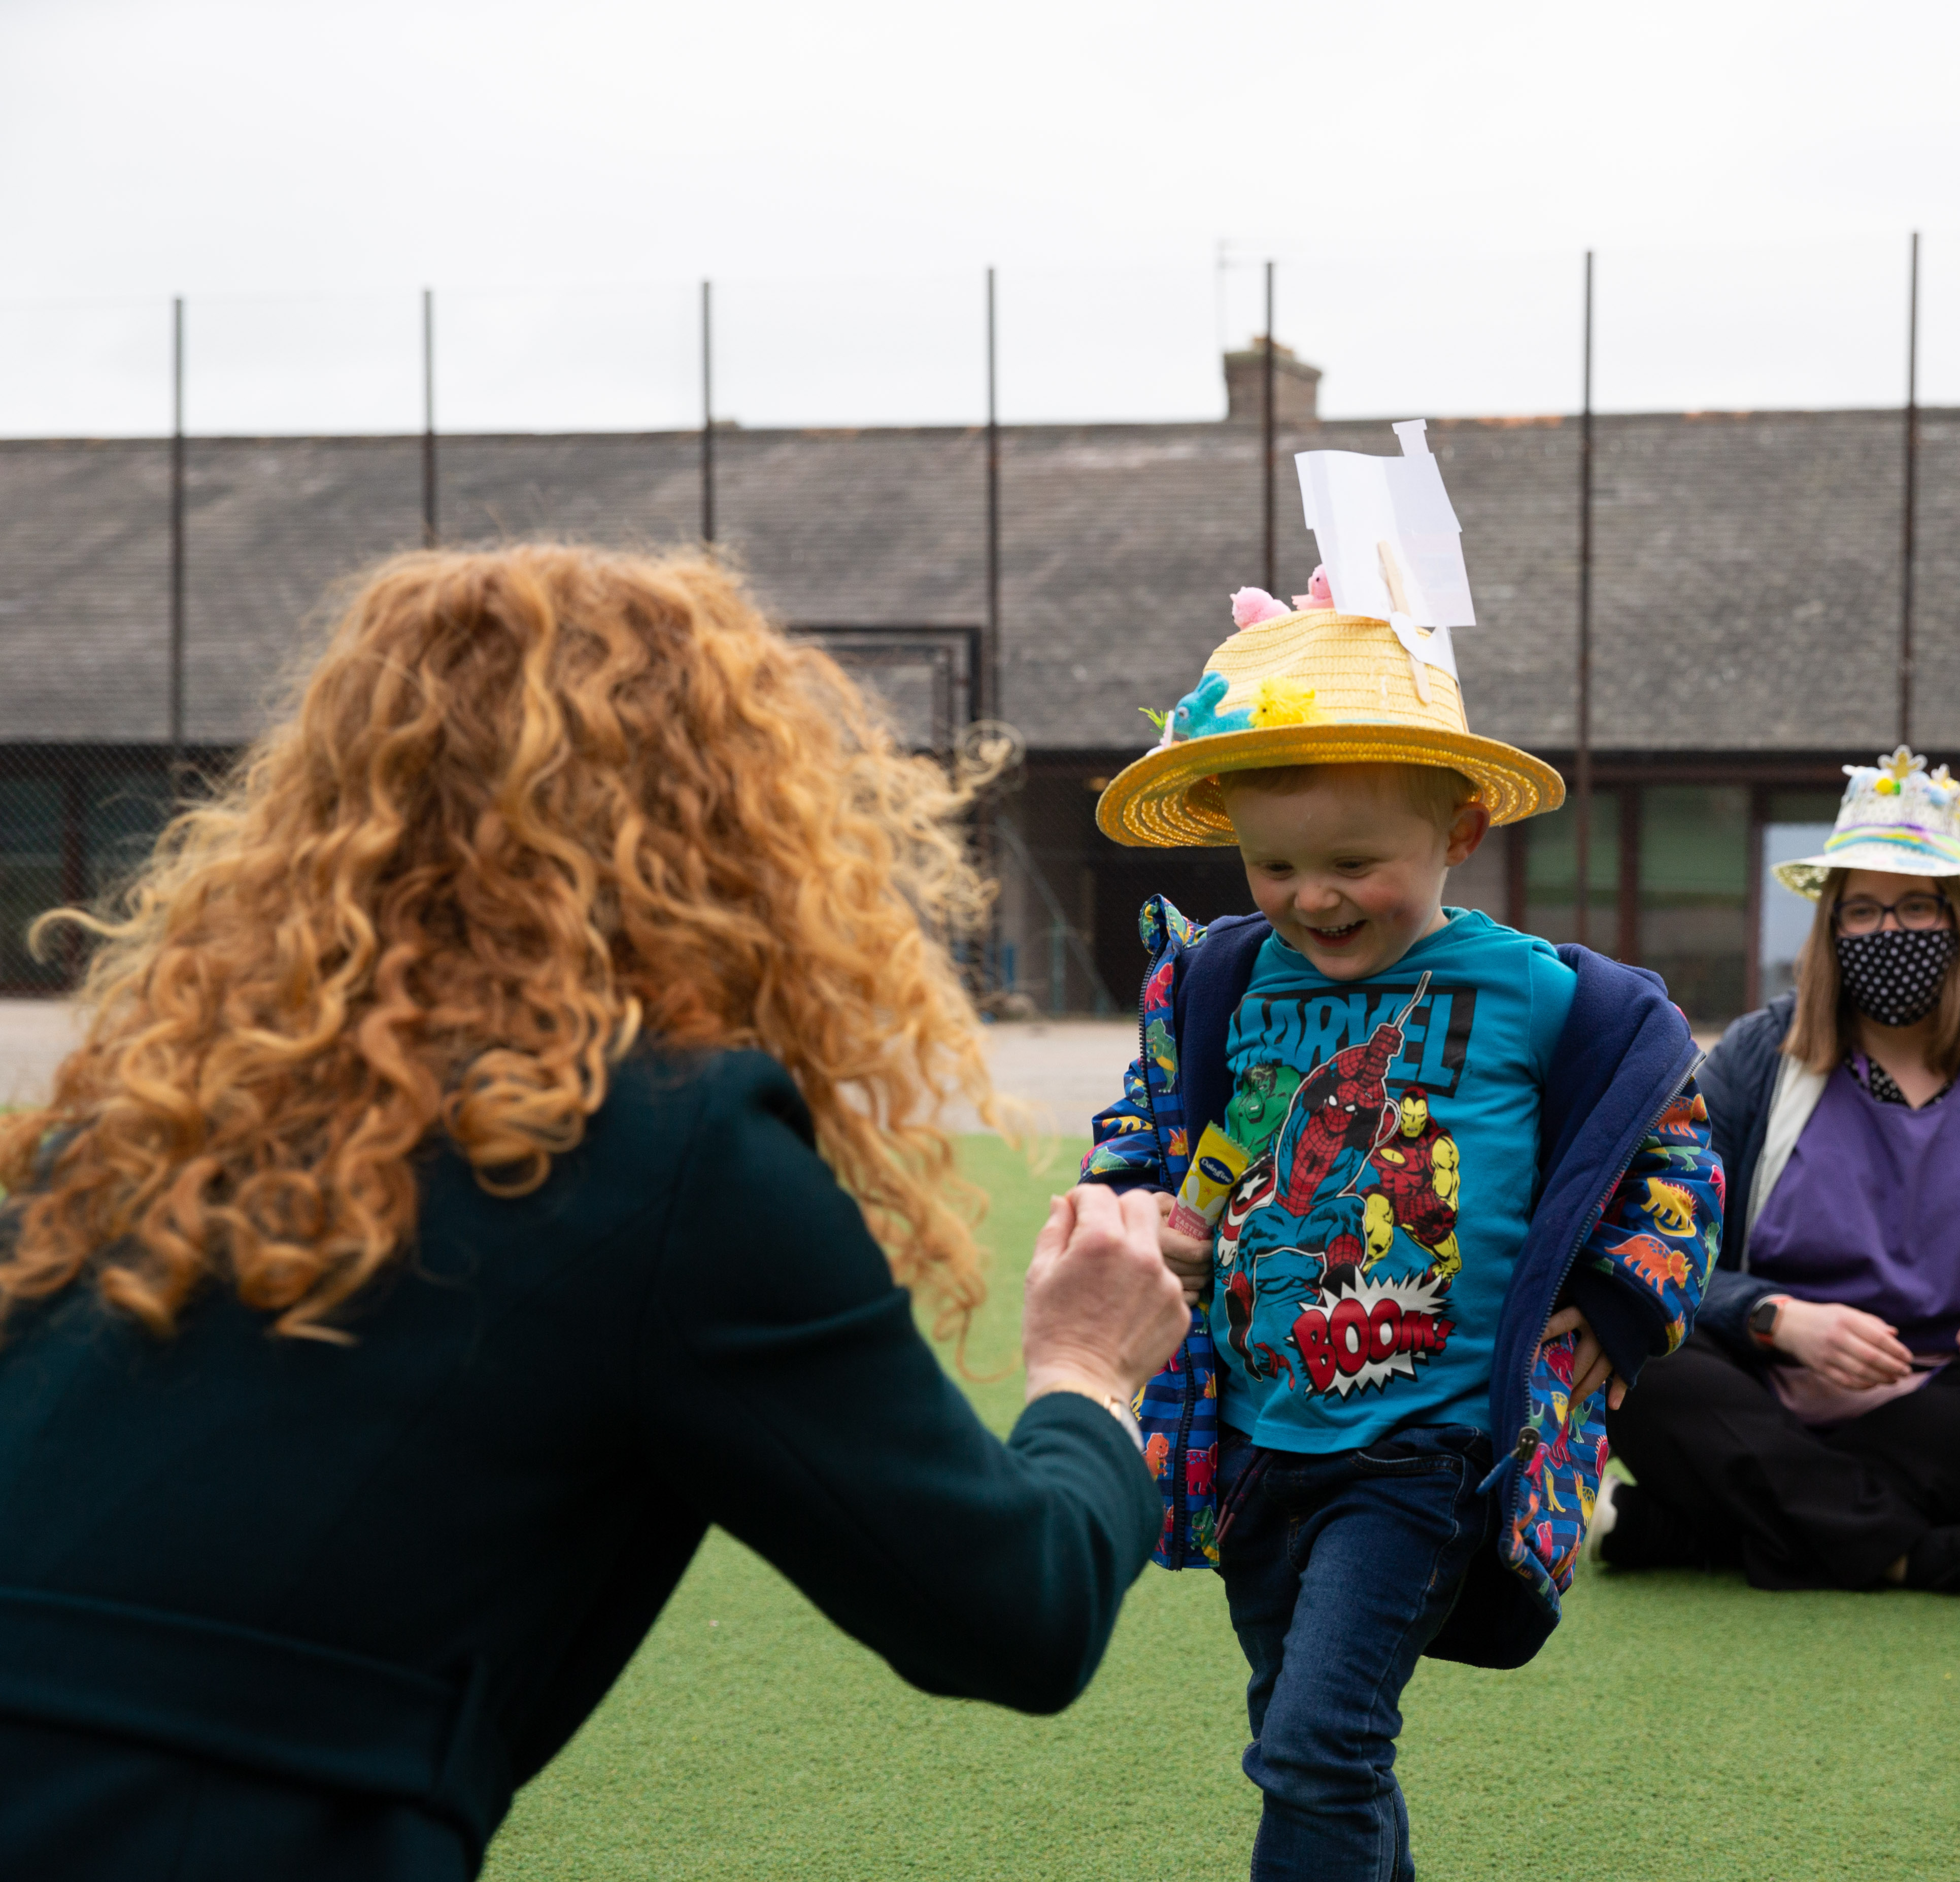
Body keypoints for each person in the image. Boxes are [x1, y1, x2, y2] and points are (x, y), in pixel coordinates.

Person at [0, 547, 1187, 1879]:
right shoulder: (674, 1144)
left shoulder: (141, 1115)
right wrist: (1087, 1373)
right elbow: (1016, 1612)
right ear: (737, 823)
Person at [1080, 580, 1722, 1879]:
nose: (1312, 898)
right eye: (1274, 866)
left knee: (1318, 1745)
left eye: (1351, 862)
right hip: (1255, 1439)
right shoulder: (1217, 982)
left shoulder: (1549, 996)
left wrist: (1623, 1295)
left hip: (1424, 1451)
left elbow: (1675, 1144)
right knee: (1312, 1737)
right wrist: (1145, 1212)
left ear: (1459, 828)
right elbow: (1141, 1131)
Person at [1599, 748, 1960, 1596]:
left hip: (1943, 1408)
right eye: (1860, 910)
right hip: (1761, 1386)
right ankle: (1930, 1556)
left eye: (1915, 906)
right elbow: (1654, 1246)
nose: (1888, 932)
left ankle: (1704, 1527)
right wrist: (1775, 1317)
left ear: (1958, 920)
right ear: (1830, 929)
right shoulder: (1754, 1061)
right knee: (1646, 1371)